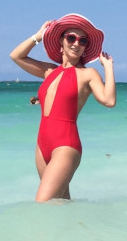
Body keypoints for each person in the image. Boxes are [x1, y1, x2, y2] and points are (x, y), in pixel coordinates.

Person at [10, 14, 115, 202]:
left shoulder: (88, 74)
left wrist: (108, 67)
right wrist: (39, 36)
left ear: (85, 48)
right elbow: (16, 56)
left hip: (66, 146)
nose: (76, 43)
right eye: (71, 38)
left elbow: (109, 100)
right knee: (59, 205)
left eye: (82, 41)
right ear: (61, 41)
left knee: (42, 205)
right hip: (42, 145)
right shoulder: (49, 71)